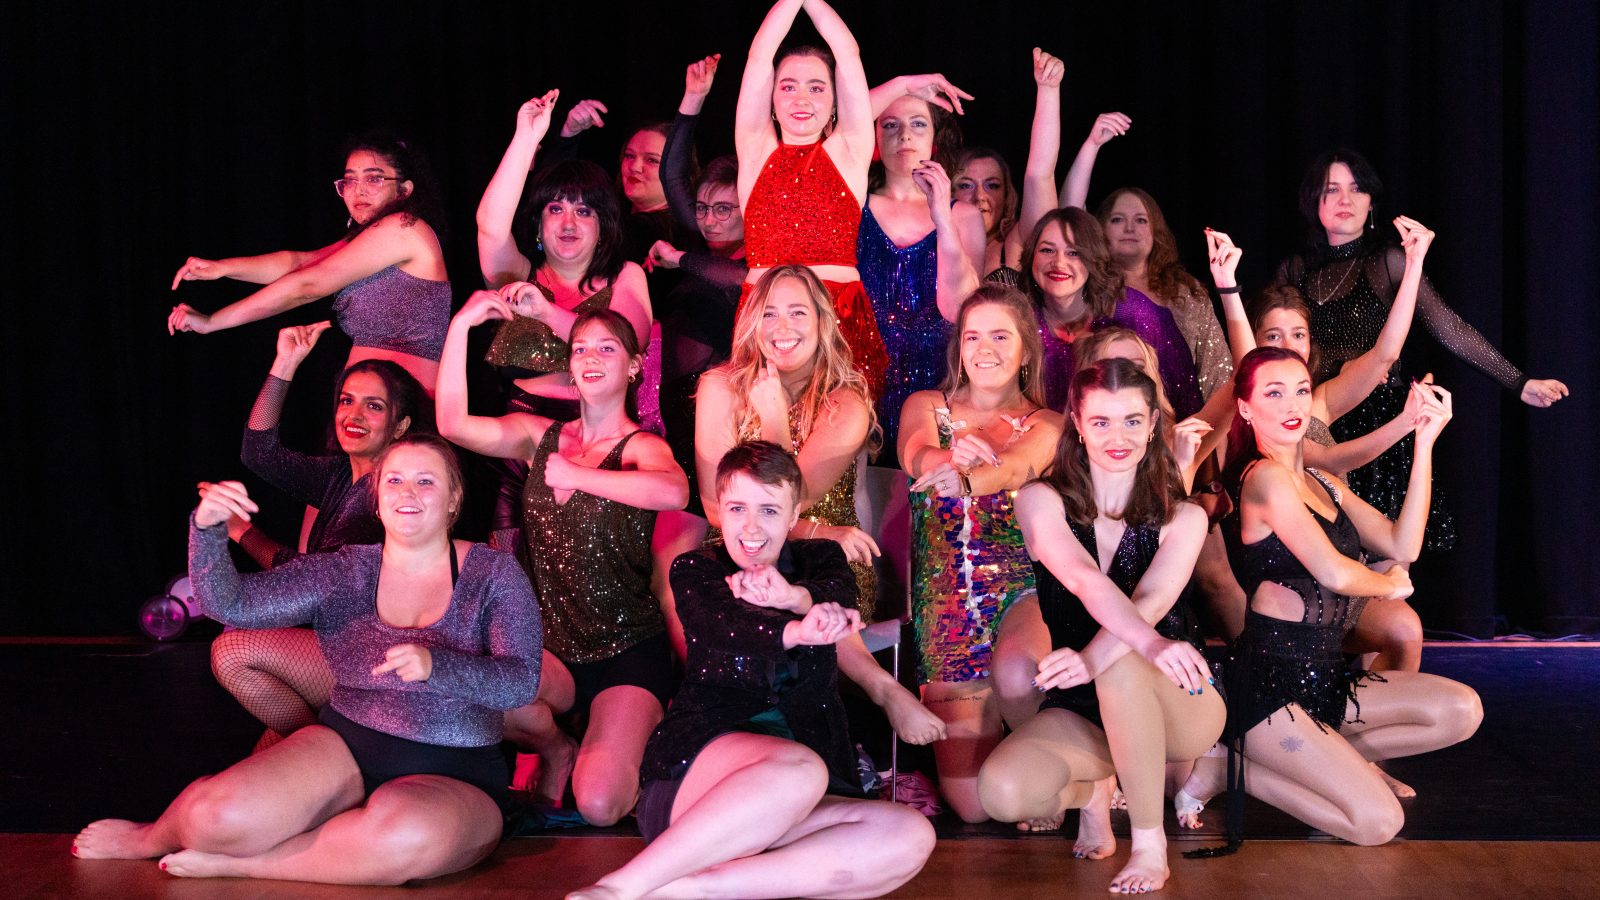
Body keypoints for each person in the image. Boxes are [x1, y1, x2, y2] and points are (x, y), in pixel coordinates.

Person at [74, 436, 541, 885]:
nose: (408, 493)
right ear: (376, 498)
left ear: (453, 498)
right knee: (213, 816)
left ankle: (245, 866)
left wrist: (439, 666)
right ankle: (152, 835)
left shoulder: (494, 573)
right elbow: (231, 606)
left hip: (458, 773)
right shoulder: (344, 569)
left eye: (426, 481)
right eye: (395, 480)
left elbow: (520, 682)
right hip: (346, 745)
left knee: (405, 838)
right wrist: (208, 529)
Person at [567, 442, 935, 900]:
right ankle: (617, 889)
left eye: (768, 509)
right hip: (697, 776)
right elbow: (729, 630)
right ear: (720, 509)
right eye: (737, 507)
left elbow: (836, 597)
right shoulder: (697, 569)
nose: (751, 526)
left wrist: (793, 600)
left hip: (802, 788)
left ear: (794, 510)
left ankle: (683, 891)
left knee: (908, 833)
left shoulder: (821, 558)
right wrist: (798, 633)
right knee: (799, 772)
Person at [1186, 347, 1482, 852]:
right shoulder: (1263, 478)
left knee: (1460, 710)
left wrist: (1424, 442)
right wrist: (1390, 585)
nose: (1292, 403)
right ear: (1246, 409)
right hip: (1269, 688)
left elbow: (1401, 544)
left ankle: (1307, 760)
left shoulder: (1319, 481)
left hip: (1324, 679)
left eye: (1301, 389)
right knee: (1378, 823)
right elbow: (1332, 571)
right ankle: (1226, 768)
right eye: (1273, 393)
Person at [440, 298, 687, 825]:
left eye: (607, 347)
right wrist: (461, 326)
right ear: (569, 365)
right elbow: (453, 424)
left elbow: (674, 491)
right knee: (467, 689)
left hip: (627, 650)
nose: (591, 357)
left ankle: (640, 738)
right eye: (580, 348)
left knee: (599, 804)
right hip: (551, 648)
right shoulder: (540, 437)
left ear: (634, 365)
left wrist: (579, 477)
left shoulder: (642, 445)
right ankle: (556, 746)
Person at [979, 359, 1220, 893]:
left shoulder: (1184, 517)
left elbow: (1152, 603)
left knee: (1124, 659)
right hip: (1089, 710)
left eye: (1133, 421)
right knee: (1002, 793)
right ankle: (1094, 792)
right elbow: (1085, 579)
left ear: (1154, 424)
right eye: (1103, 421)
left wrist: (1095, 659)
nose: (1119, 436)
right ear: (1078, 423)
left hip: (1179, 697)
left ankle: (1150, 843)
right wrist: (1092, 663)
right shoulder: (1041, 502)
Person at [696, 265, 946, 744]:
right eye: (769, 313)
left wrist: (771, 416)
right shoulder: (720, 386)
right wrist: (817, 529)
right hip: (743, 542)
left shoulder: (845, 400)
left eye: (797, 312)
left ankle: (880, 695)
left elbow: (787, 501)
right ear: (752, 321)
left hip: (832, 562)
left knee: (798, 571)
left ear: (822, 322)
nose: (782, 328)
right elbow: (714, 508)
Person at [1275, 149, 1568, 547]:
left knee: (1388, 554)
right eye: (1332, 190)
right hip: (1318, 420)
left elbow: (1447, 326)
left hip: (1381, 420)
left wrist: (1519, 382)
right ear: (1315, 201)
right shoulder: (1296, 270)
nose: (1346, 200)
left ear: (1371, 202)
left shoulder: (1388, 261)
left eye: (1357, 189)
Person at [1207, 223, 1432, 674]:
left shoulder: (1320, 400)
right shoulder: (1264, 433)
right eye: (1273, 337)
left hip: (1340, 564)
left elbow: (1386, 354)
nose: (1287, 346)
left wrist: (1413, 267)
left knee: (1405, 637)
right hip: (1299, 592)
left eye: (1298, 335)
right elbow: (1327, 455)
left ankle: (1357, 733)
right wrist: (1229, 289)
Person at [211, 321, 432, 750]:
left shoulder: (393, 495)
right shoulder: (338, 474)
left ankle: (329, 748)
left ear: (401, 426)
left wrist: (241, 532)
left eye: (374, 407)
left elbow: (310, 576)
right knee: (264, 769)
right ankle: (321, 749)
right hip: (334, 646)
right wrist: (286, 363)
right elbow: (258, 452)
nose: (354, 415)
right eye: (347, 401)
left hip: (378, 660)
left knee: (232, 651)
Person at [899, 285, 1063, 822]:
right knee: (973, 809)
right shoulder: (927, 404)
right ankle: (1024, 775)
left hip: (1020, 590)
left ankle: (1078, 773)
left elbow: (1017, 467)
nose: (984, 348)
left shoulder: (1048, 422)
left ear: (1026, 350)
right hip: (945, 609)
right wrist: (944, 457)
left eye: (1000, 335)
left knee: (1019, 669)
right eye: (973, 336)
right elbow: (914, 452)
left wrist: (970, 476)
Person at [169, 134, 451, 392]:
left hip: (406, 401)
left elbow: (307, 284)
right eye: (350, 180)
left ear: (404, 190)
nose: (358, 191)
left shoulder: (404, 228)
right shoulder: (370, 239)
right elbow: (301, 264)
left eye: (374, 179)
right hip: (365, 402)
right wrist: (223, 269)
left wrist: (212, 322)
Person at [733, 0, 897, 398]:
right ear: (771, 100)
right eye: (787, 87)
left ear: (835, 101)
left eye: (816, 87)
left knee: (842, 445)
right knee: (763, 444)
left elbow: (848, 53)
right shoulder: (756, 150)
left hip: (838, 316)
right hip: (767, 321)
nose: (801, 99)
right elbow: (758, 57)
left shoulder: (850, 150)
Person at [645, 54, 750, 659]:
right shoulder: (700, 238)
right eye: (705, 210)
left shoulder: (752, 259)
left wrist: (680, 260)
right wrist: (692, 102)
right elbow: (674, 177)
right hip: (676, 416)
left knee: (724, 544)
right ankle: (696, 672)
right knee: (680, 564)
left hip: (725, 417)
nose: (709, 220)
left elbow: (738, 281)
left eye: (724, 210)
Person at [855, 64, 988, 455]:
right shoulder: (852, 206)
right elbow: (841, 123)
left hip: (936, 381)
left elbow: (963, 309)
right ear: (874, 136)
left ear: (934, 138)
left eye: (917, 124)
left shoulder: (963, 214)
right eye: (890, 125)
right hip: (860, 379)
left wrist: (941, 218)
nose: (905, 135)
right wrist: (898, 84)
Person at [1060, 115, 1233, 399]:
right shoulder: (1090, 288)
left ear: (1156, 232)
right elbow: (1069, 217)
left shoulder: (1186, 292)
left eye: (1141, 220)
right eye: (1117, 220)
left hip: (1184, 427)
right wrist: (1092, 145)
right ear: (1098, 230)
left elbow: (1218, 372)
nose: (1129, 227)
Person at [1020, 208, 1202, 417]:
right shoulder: (1019, 321)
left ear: (1093, 258)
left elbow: (1188, 406)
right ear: (1031, 256)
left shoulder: (1135, 313)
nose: (1059, 262)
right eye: (1047, 250)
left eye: (1074, 252)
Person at [959, 48, 1067, 288]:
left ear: (1007, 196)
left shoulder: (1017, 243)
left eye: (992, 185)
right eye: (965, 185)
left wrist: (1048, 90)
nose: (980, 196)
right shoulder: (929, 244)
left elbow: (1040, 176)